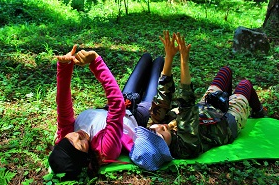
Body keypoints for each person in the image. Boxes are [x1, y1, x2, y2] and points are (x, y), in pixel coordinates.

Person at [48, 44, 172, 180]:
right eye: (82, 143)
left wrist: (64, 66)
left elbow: (63, 106)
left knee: (146, 58)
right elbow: (117, 108)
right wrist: (95, 62)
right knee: (159, 63)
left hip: (124, 101)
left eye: (71, 138)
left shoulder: (65, 135)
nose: (79, 135)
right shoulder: (105, 150)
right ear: (87, 156)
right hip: (137, 115)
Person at [148, 31, 267, 160]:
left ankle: (225, 98)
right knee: (245, 84)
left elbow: (163, 96)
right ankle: (259, 111)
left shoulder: (152, 126)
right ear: (166, 150)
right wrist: (184, 62)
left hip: (206, 106)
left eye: (154, 131)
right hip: (226, 122)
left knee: (225, 71)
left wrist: (169, 57)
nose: (162, 128)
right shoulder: (184, 147)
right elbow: (186, 101)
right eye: (162, 136)